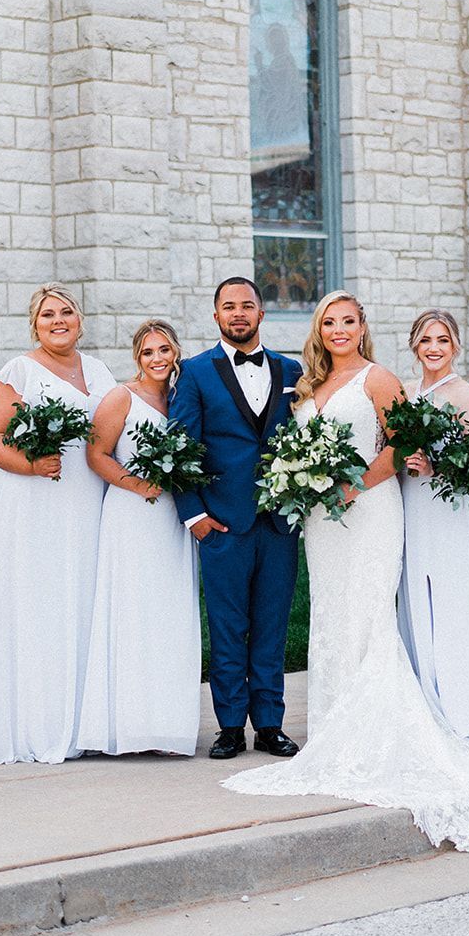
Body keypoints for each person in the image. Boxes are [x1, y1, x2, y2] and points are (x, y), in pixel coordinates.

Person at [224, 292, 469, 853]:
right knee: (334, 613)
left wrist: (354, 484)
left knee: (369, 611)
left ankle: (379, 730)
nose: (340, 330)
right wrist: (304, 478)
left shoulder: (380, 378)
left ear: (363, 328)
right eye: (330, 322)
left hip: (369, 508)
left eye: (350, 321)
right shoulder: (308, 387)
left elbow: (401, 441)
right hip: (322, 516)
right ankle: (336, 723)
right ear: (319, 330)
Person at [0, 284, 116, 764]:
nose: (58, 320)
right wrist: (30, 464)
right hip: (33, 503)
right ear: (34, 325)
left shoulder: (99, 370)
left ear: (79, 319)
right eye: (47, 315)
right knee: (37, 604)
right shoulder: (19, 370)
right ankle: (34, 723)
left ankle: (81, 720)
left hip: (85, 501)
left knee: (78, 599)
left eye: (66, 312)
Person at [170, 278, 303, 760]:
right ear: (216, 316)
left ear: (262, 314)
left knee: (271, 626)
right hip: (221, 522)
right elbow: (178, 449)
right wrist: (195, 516)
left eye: (248, 305)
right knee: (226, 628)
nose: (239, 314)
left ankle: (270, 724)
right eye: (230, 307)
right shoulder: (195, 372)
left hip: (279, 522)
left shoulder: (292, 370)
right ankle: (229, 727)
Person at [77, 320, 200, 757]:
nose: (158, 359)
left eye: (165, 349)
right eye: (149, 352)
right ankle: (124, 725)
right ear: (137, 357)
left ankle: (166, 725)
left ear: (176, 351)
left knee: (168, 614)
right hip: (132, 515)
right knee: (131, 612)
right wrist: (136, 484)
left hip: (173, 518)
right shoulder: (120, 397)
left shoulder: (183, 398)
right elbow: (96, 454)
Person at [397, 310, 469, 742]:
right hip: (412, 506)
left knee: (453, 599)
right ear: (414, 346)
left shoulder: (465, 395)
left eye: (442, 340)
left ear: (456, 346)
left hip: (450, 512)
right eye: (425, 340)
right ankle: (424, 703)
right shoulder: (403, 393)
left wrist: (435, 468)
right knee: (416, 598)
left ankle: (465, 712)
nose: (434, 348)